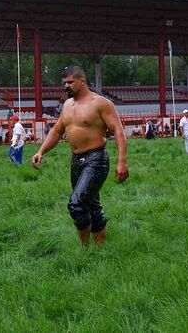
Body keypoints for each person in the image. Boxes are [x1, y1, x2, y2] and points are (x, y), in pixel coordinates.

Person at [31, 66, 129, 247]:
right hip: (76, 160)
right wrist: (40, 151)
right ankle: (100, 248)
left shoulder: (100, 103)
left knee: (76, 204)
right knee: (91, 204)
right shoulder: (67, 105)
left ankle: (84, 250)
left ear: (82, 81)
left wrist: (121, 161)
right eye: (64, 83)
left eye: (70, 82)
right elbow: (57, 130)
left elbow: (118, 131)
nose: (66, 87)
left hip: (96, 159)